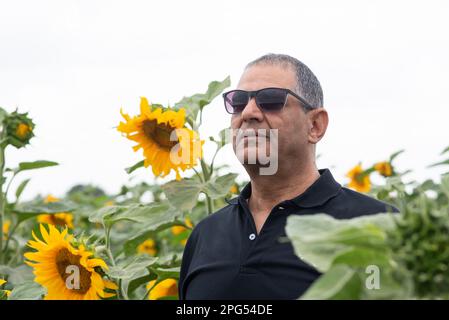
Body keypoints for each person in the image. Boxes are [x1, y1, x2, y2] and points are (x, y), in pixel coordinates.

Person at [178, 53, 398, 300]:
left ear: (315, 125)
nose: (249, 112)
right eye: (238, 102)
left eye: (271, 100)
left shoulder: (377, 225)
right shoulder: (206, 234)